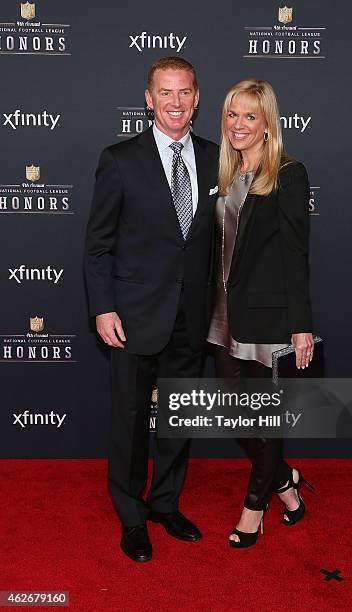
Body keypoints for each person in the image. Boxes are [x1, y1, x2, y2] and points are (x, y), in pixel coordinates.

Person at [84, 56, 218, 562]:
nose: (176, 102)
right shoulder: (119, 159)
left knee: (178, 419)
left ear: (198, 97)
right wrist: (103, 308)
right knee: (130, 421)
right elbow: (97, 245)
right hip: (133, 314)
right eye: (165, 92)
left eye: (184, 92)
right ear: (148, 98)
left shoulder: (215, 157)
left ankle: (164, 503)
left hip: (191, 312)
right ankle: (132, 516)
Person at [207, 79, 314, 548]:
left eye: (250, 116)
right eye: (232, 114)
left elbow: (295, 253)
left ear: (268, 123)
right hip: (221, 314)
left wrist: (301, 325)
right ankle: (285, 480)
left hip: (267, 318)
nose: (239, 125)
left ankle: (254, 509)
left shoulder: (287, 173)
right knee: (237, 415)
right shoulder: (225, 173)